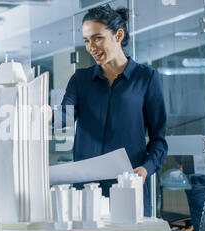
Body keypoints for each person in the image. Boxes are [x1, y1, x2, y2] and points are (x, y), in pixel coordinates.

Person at [59, 5, 168, 217]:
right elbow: (66, 115)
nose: (91, 47)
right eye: (86, 40)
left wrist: (146, 169)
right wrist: (44, 114)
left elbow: (158, 139)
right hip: (87, 189)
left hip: (127, 185)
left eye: (97, 38)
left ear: (118, 35)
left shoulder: (146, 78)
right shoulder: (80, 80)